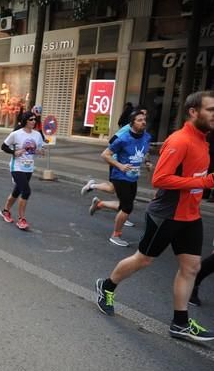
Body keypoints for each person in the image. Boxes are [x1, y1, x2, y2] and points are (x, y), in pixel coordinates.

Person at [95, 90, 214, 343]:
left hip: (191, 215)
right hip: (167, 215)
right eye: (211, 110)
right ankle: (107, 286)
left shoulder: (203, 140)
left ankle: (180, 323)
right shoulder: (180, 140)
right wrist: (204, 182)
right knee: (143, 260)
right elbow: (160, 179)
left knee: (191, 267)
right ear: (194, 112)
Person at [83, 110, 152, 247]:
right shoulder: (123, 138)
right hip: (120, 176)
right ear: (132, 123)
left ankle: (100, 204)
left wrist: (147, 162)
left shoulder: (146, 137)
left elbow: (146, 151)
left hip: (133, 177)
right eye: (139, 120)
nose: (143, 122)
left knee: (124, 205)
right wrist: (120, 166)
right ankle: (116, 235)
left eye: (144, 119)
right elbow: (105, 155)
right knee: (127, 207)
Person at [0, 111, 44, 230]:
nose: (34, 121)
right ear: (25, 121)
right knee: (26, 191)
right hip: (16, 167)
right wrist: (14, 152)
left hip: (29, 167)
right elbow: (3, 147)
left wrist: (40, 151)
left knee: (17, 192)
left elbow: (40, 149)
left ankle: (5, 211)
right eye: (31, 119)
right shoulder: (16, 134)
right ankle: (21, 219)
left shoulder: (37, 135)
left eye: (35, 119)